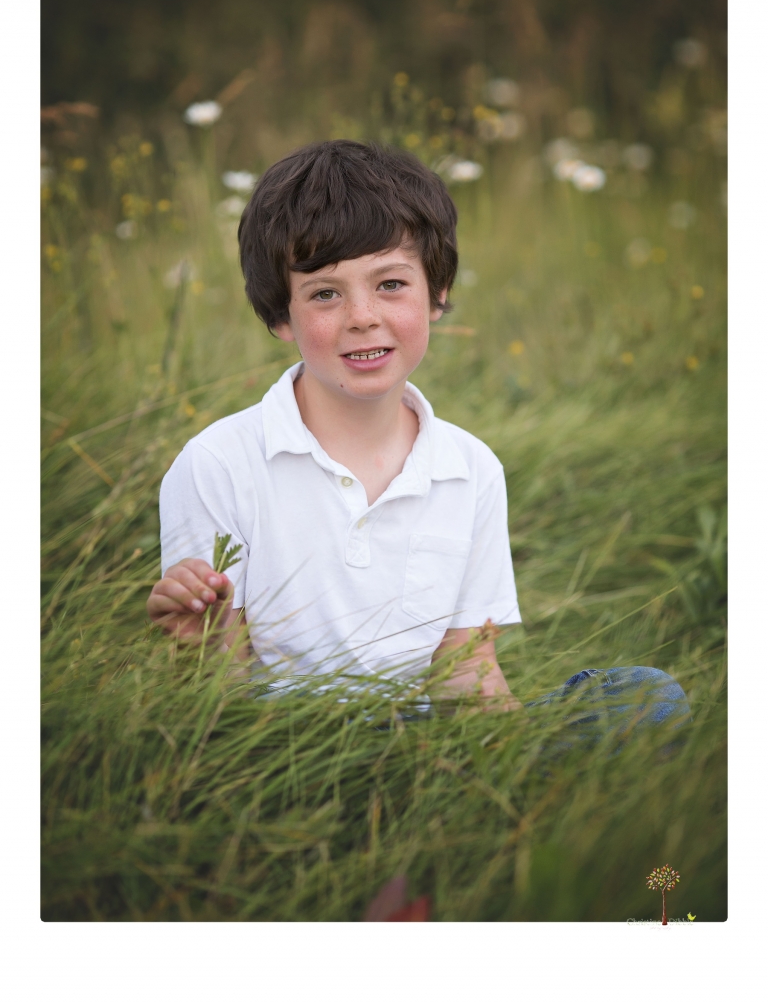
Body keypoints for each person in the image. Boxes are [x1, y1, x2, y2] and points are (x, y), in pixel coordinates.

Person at [147, 140, 690, 733]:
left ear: (437, 293)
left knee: (648, 697)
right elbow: (220, 698)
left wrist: (504, 755)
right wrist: (196, 645)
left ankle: (490, 801)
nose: (362, 316)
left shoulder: (469, 467)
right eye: (325, 293)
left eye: (390, 284)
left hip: (425, 740)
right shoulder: (218, 463)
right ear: (281, 315)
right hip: (288, 741)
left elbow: (464, 668)